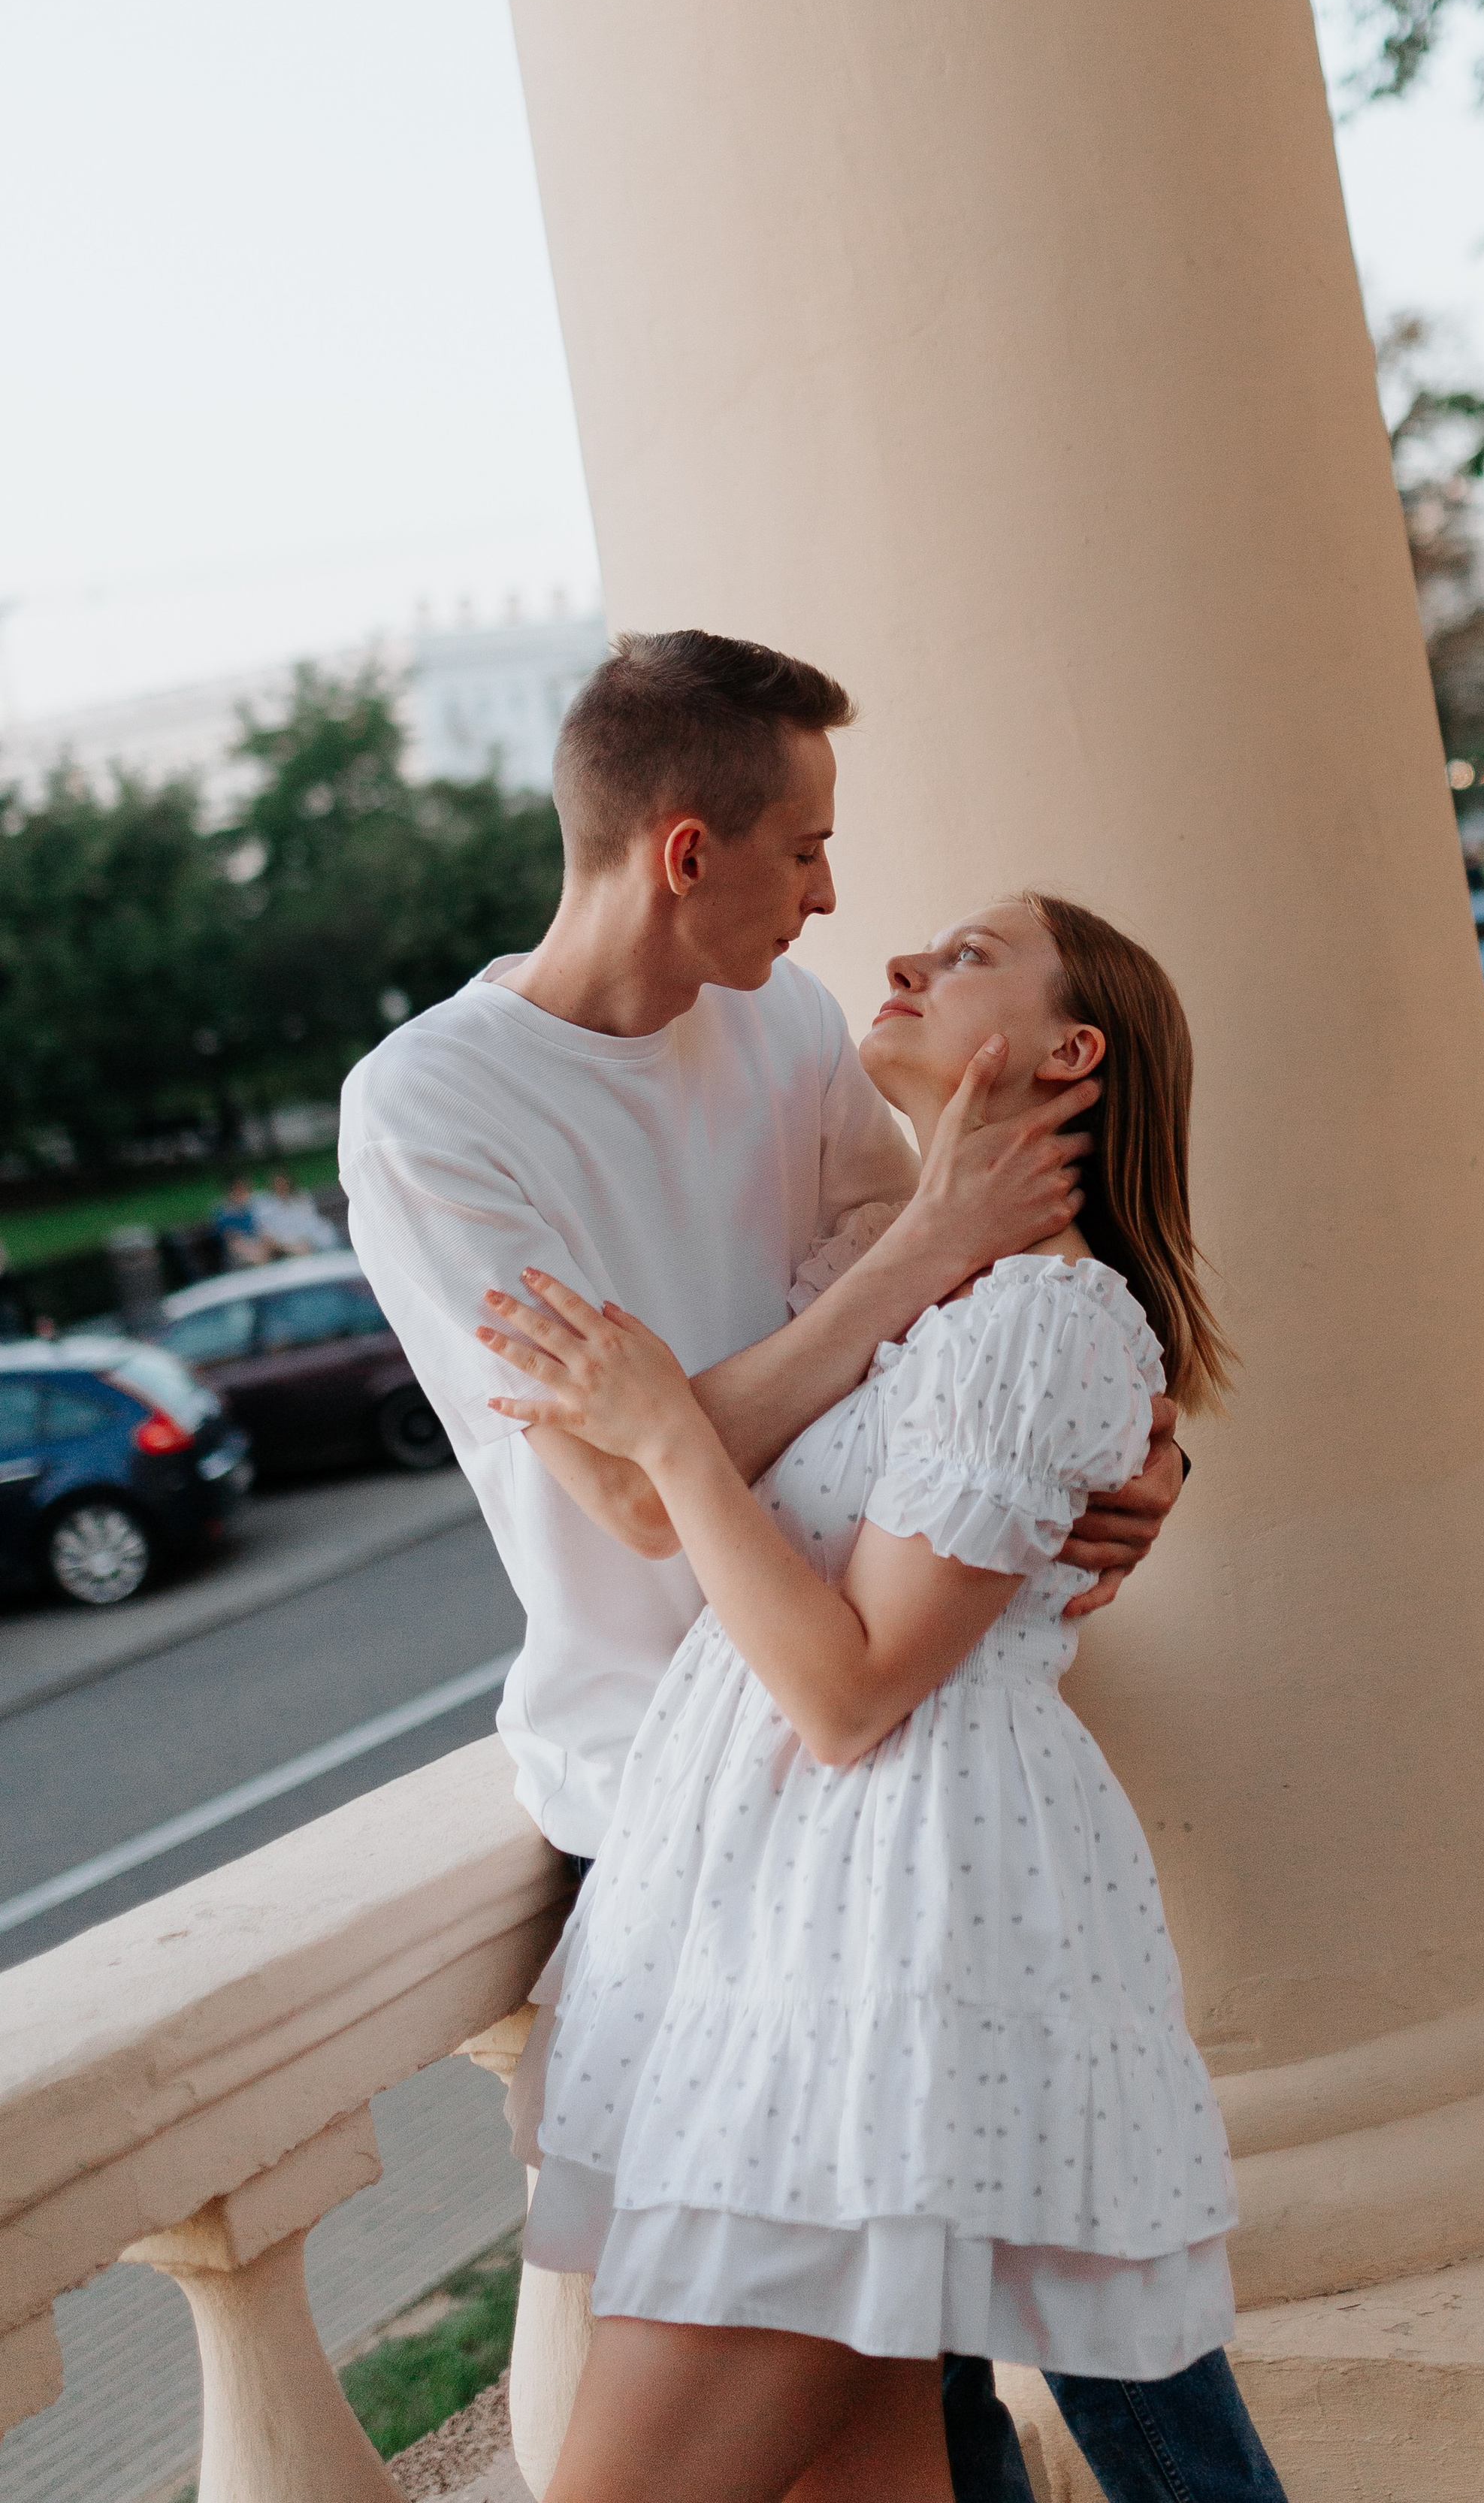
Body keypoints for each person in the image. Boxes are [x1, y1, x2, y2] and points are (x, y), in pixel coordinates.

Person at [338, 630, 1271, 2502]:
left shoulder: (780, 1023)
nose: (839, 897)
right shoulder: (435, 1111)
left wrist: (1127, 1444)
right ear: (687, 850)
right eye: (805, 847)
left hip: (877, 1795)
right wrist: (914, 1256)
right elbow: (634, 1488)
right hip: (677, 1799)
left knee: (1069, 2392)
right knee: (918, 2422)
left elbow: (977, 1316)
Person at [252, 1170, 341, 1256]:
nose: (281, 1187)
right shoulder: (267, 1207)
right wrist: (290, 1246)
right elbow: (268, 1234)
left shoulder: (302, 1199)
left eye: (283, 1183)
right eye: (278, 1184)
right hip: (285, 1248)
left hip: (310, 1243)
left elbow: (311, 1222)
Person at [213, 1177, 269, 1270]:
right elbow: (234, 1243)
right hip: (239, 1255)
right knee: (257, 1258)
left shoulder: (253, 1209)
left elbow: (264, 1231)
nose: (243, 1194)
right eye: (238, 1191)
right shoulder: (225, 1215)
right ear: (231, 1193)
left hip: (259, 1246)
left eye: (245, 1190)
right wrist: (256, 1252)